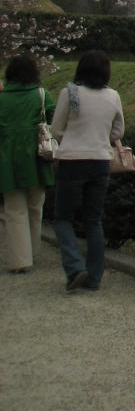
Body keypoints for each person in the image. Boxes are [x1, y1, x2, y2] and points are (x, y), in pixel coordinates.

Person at [52, 50, 124, 292]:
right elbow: (118, 132)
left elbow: (56, 129)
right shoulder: (113, 96)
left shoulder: (69, 92)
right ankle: (94, 278)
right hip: (100, 161)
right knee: (93, 220)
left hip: (72, 161)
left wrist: (73, 136)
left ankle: (75, 267)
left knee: (63, 218)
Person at [0, 54, 55, 274]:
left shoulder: (2, 98)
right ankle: (33, 251)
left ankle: (20, 260)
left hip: (7, 158)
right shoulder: (41, 95)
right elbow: (53, 119)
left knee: (14, 210)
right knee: (35, 206)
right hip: (37, 156)